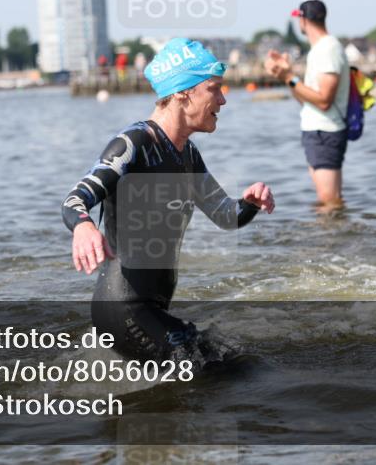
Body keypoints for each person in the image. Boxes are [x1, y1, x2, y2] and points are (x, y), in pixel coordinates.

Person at [62, 38, 275, 362]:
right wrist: (84, 228)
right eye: (214, 89)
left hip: (150, 309)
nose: (222, 99)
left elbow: (225, 215)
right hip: (124, 308)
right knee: (226, 372)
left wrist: (250, 202)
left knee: (230, 362)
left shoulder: (187, 154)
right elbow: (76, 198)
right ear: (182, 92)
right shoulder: (134, 145)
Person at [264, 0, 350, 209]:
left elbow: (323, 101)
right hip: (320, 132)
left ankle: (329, 241)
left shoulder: (327, 49)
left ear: (302, 20)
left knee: (328, 202)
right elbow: (307, 100)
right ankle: (336, 240)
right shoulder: (321, 49)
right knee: (331, 201)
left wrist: (289, 77)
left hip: (325, 132)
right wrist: (288, 76)